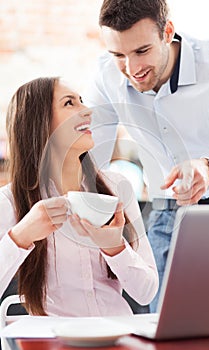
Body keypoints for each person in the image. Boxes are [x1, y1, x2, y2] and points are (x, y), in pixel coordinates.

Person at [83, 0, 209, 312]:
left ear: (167, 32)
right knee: (164, 325)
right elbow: (88, 161)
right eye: (118, 55)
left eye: (141, 51)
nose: (132, 69)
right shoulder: (106, 76)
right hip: (165, 216)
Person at [0, 77, 158, 316]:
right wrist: (21, 236)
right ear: (39, 122)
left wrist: (114, 247)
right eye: (69, 103)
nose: (87, 110)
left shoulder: (118, 187)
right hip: (53, 337)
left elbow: (146, 292)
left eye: (81, 100)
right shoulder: (11, 201)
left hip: (116, 334)